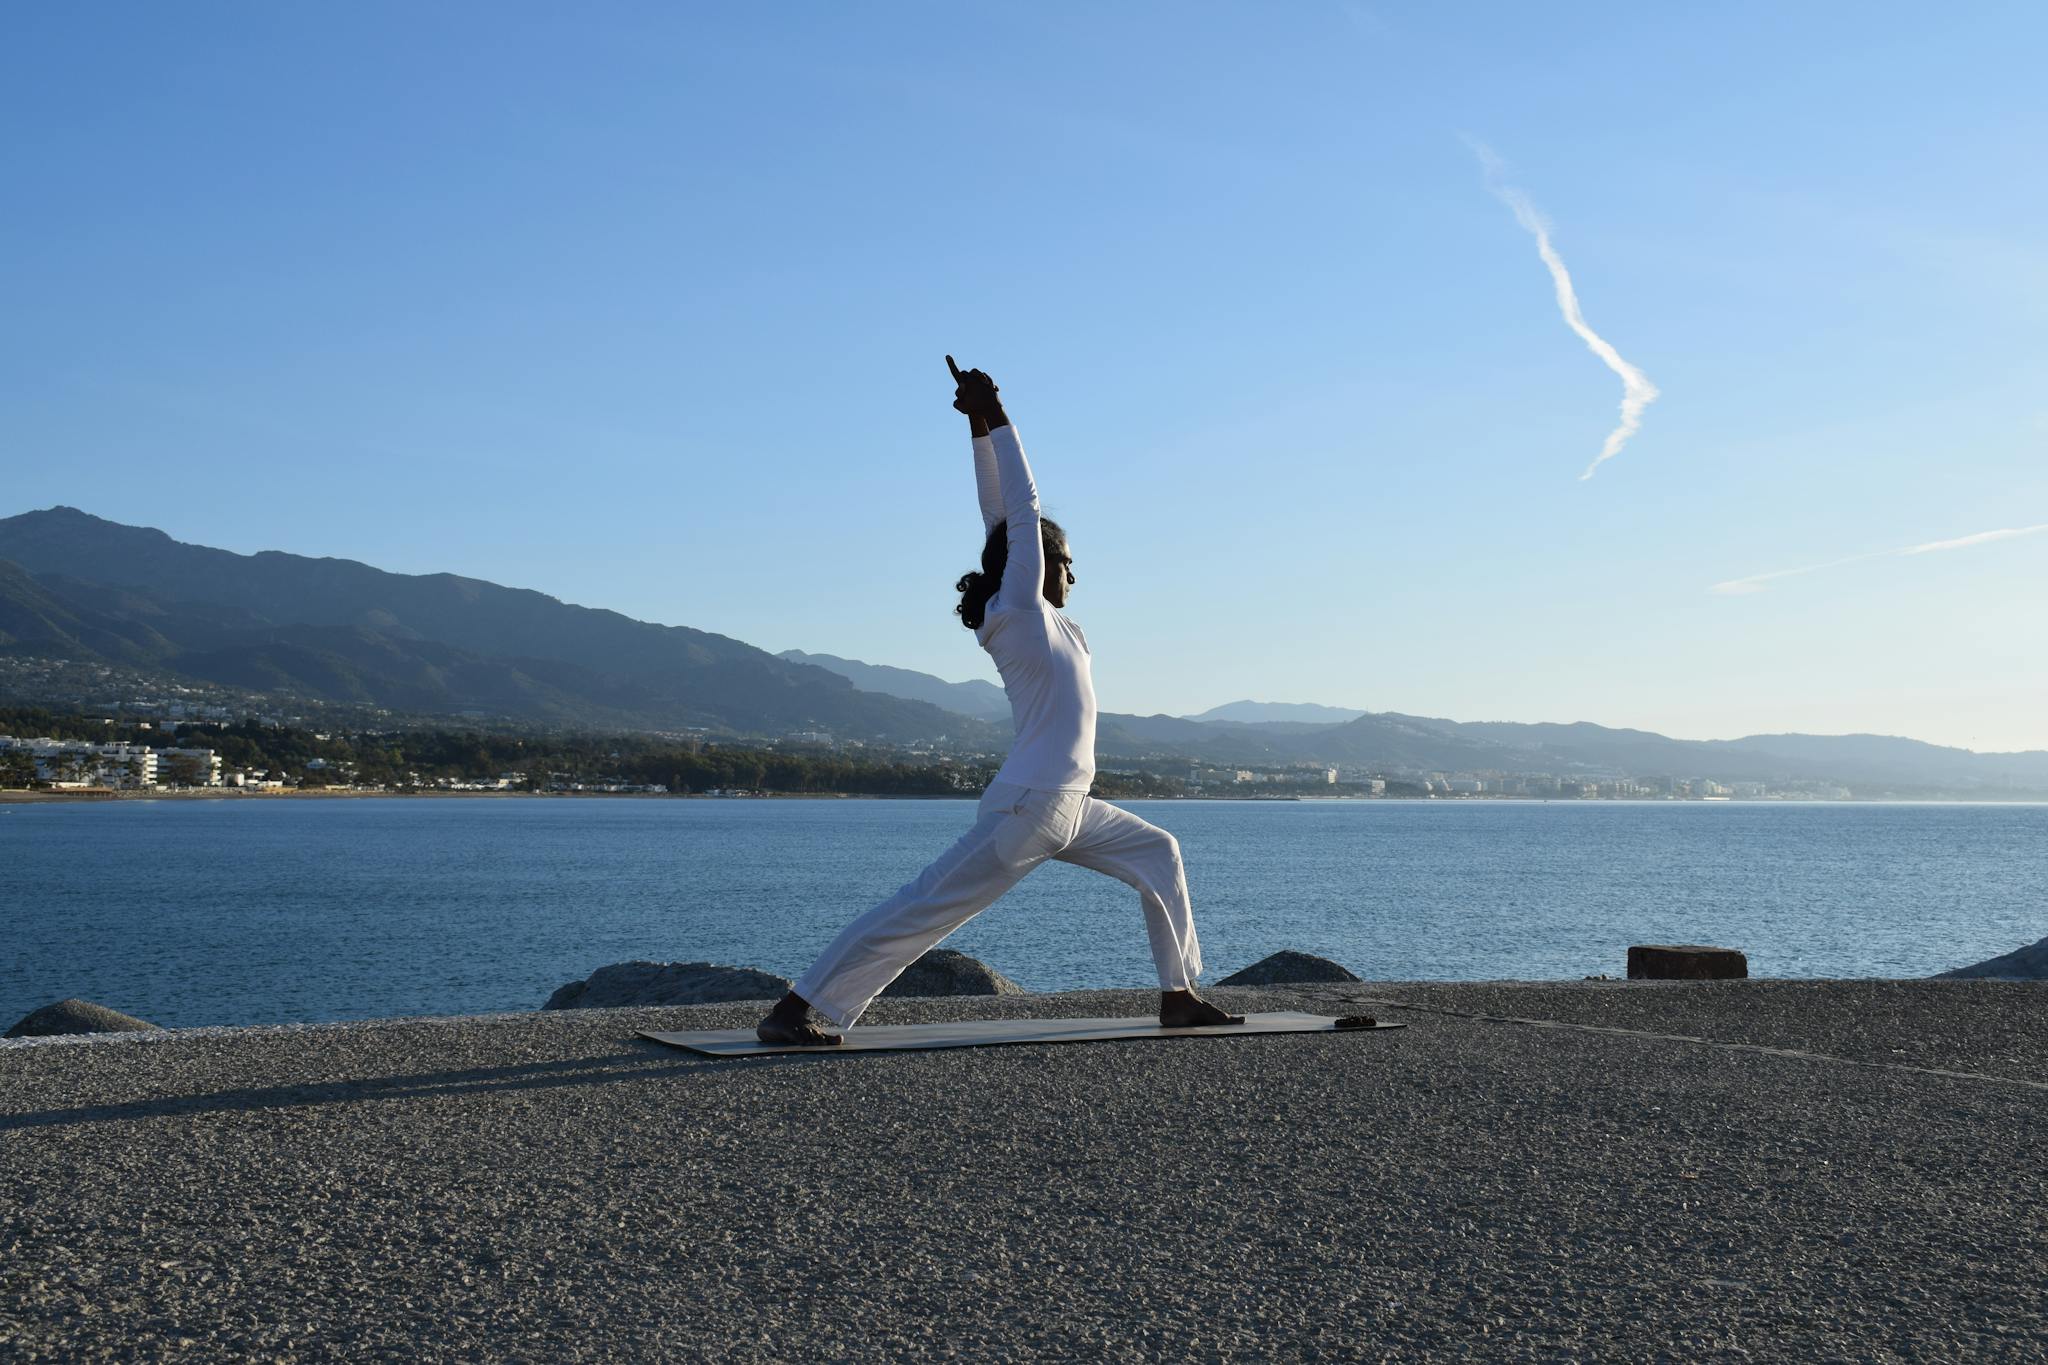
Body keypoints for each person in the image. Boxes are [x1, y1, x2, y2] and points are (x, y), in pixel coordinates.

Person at [756, 360, 1243, 1046]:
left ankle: (1179, 994)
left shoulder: (1045, 617)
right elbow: (1017, 510)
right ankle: (794, 1008)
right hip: (1029, 807)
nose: (1072, 572)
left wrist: (978, 428)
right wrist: (1001, 414)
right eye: (1065, 559)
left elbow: (999, 515)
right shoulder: (1019, 610)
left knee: (1159, 852)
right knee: (924, 907)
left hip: (1068, 805)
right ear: (1038, 558)